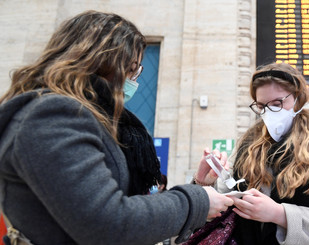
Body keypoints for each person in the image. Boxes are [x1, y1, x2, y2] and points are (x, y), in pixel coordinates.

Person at [0, 10, 233, 245]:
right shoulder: (52, 116)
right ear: (103, 61)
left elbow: (129, 207)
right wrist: (197, 201)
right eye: (132, 69)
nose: (134, 80)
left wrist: (199, 187)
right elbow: (108, 223)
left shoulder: (84, 116)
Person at [193, 62, 309, 244]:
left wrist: (279, 214)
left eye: (277, 103)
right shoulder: (248, 147)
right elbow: (222, 211)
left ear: (298, 99)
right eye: (262, 106)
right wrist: (206, 184)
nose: (269, 113)